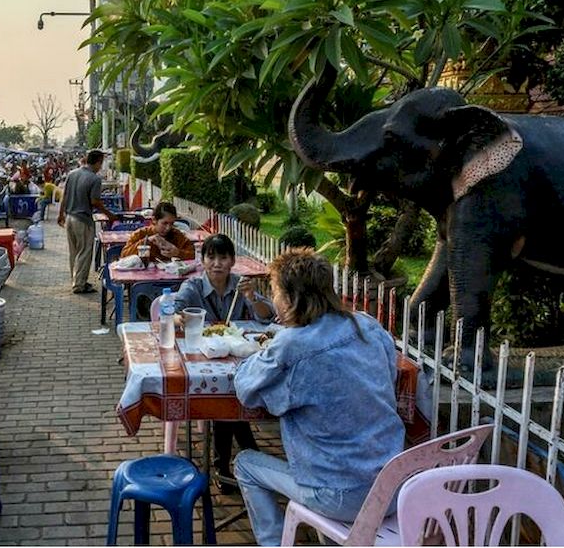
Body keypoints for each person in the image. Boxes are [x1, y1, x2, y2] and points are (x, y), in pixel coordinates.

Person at [232, 248, 405, 546]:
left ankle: (274, 542)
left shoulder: (292, 344)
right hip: (393, 486)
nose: (274, 299)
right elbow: (389, 377)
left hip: (341, 496)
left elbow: (246, 389)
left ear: (290, 298)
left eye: (275, 292)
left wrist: (263, 354)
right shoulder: (367, 326)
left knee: (245, 463)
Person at [174, 233, 274, 491]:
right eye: (211, 257)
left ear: (232, 261)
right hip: (205, 357)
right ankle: (241, 457)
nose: (217, 263)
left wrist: (252, 298)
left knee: (230, 398)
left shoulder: (241, 285)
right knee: (227, 399)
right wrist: (179, 319)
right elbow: (173, 312)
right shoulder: (193, 287)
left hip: (238, 355)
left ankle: (226, 464)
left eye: (223, 257)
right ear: (203, 260)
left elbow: (266, 317)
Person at [57, 150, 116, 294]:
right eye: (101, 163)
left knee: (74, 252)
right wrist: (109, 214)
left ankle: (77, 280)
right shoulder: (94, 179)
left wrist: (60, 214)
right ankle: (79, 284)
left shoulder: (72, 174)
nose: (101, 167)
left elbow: (64, 195)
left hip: (69, 217)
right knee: (84, 252)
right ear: (98, 162)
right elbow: (95, 201)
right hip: (82, 219)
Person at [119, 202, 196, 263]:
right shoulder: (140, 234)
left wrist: (178, 253)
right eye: (165, 223)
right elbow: (124, 255)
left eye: (172, 224)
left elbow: (194, 254)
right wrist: (147, 241)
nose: (168, 228)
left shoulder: (177, 235)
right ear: (154, 220)